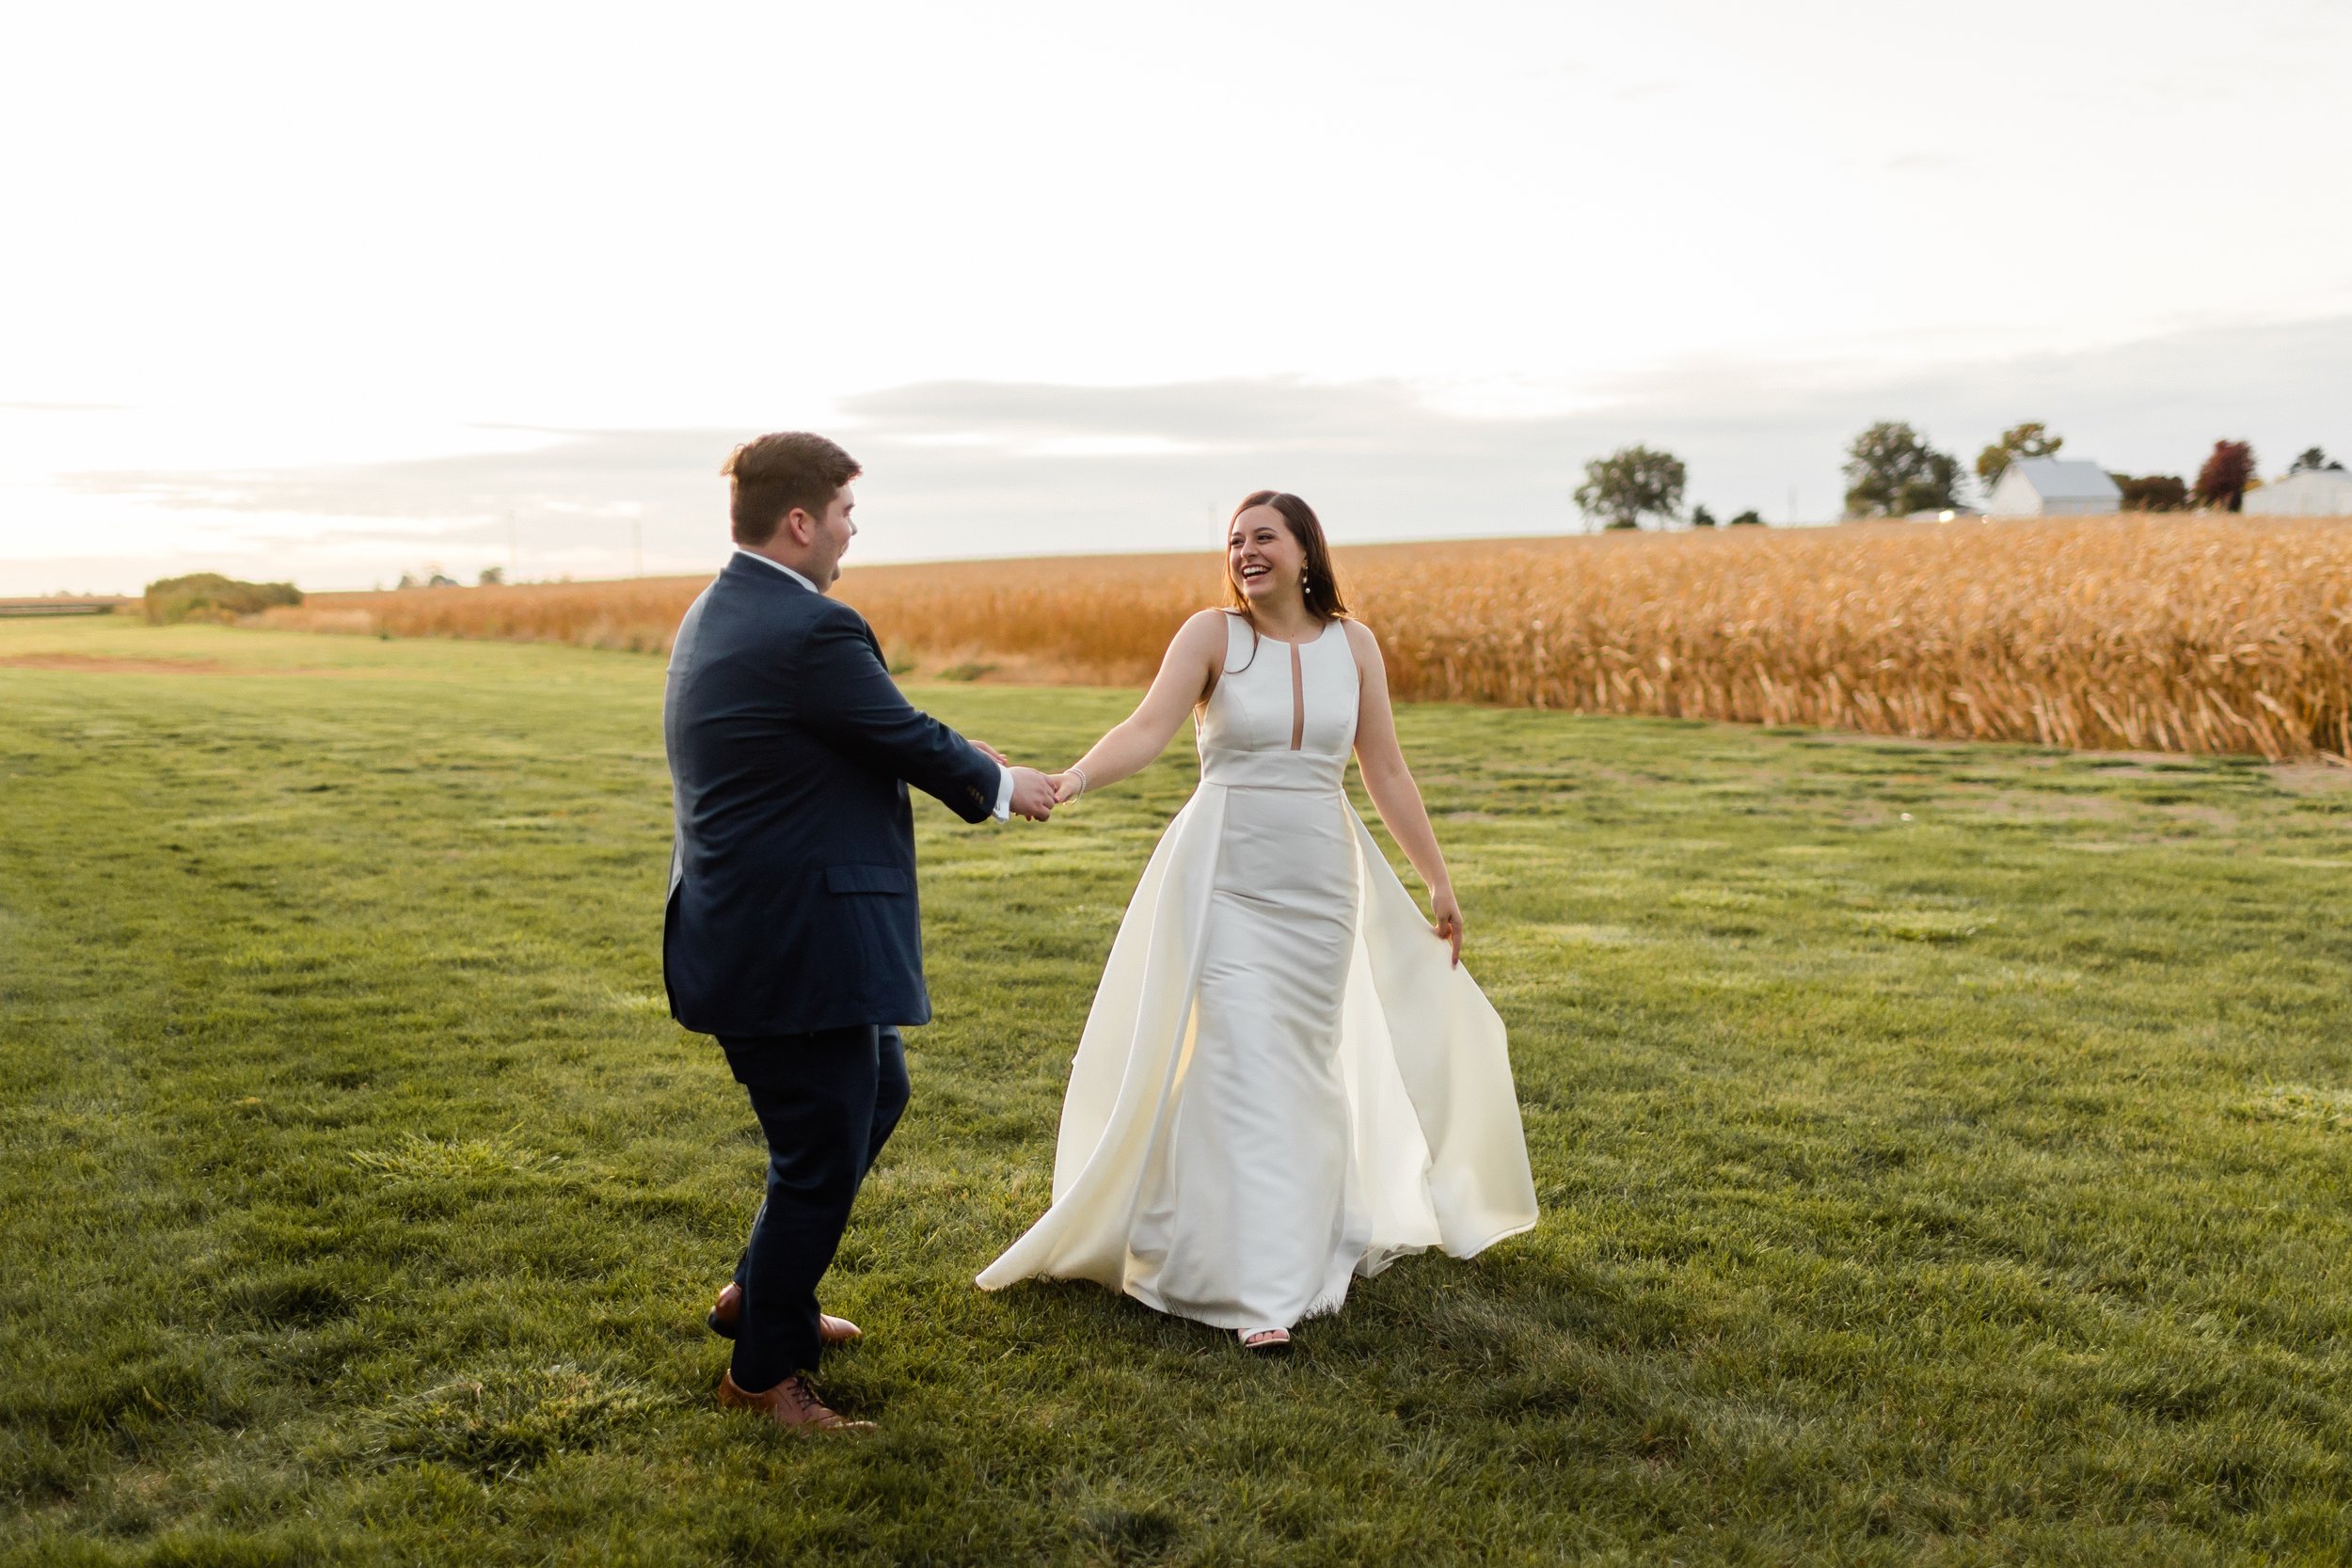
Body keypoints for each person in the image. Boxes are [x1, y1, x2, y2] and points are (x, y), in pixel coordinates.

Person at [977, 491, 1537, 1351]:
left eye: (1262, 537)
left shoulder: (1356, 645)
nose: (1245, 551)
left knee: (1305, 1066)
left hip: (1319, 879)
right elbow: (1149, 727)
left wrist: (1439, 881)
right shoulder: (1213, 635)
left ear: (1305, 550)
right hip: (1226, 875)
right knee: (1238, 1056)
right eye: (1234, 540)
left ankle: (1293, 1243)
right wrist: (1072, 780)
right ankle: (1252, 1292)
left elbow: (1384, 768)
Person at [664, 432, 1057, 1432]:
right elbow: (897, 730)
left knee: (872, 1094)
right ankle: (762, 1374)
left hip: (755, 930)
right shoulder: (810, 628)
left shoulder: (721, 609)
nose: (849, 533)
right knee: (819, 1146)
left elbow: (857, 727)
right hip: (791, 944)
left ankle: (763, 1294)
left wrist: (956, 752)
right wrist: (1002, 783)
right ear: (800, 520)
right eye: (844, 513)